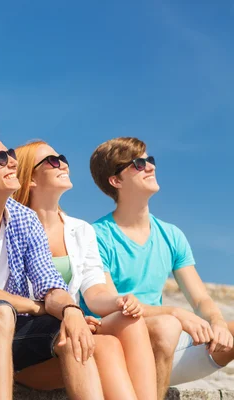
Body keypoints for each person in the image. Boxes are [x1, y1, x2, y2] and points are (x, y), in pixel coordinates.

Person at [0, 125, 125, 400]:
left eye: (9, 154)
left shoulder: (25, 218)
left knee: (77, 337)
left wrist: (70, 311)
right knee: (1, 313)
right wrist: (38, 307)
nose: (11, 161)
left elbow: (50, 283)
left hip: (12, 330)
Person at [87, 137, 234, 399]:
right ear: (115, 180)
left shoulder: (171, 235)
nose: (150, 167)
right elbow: (112, 304)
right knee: (166, 325)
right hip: (122, 347)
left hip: (166, 349)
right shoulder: (96, 236)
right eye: (138, 164)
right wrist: (176, 313)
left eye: (150, 161)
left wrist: (217, 322)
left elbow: (199, 298)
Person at [12, 140, 157, 399]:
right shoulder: (11, 226)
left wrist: (119, 300)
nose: (64, 164)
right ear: (30, 179)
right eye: (52, 161)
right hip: (33, 342)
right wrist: (70, 315)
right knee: (105, 346)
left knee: (129, 319)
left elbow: (94, 290)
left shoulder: (81, 230)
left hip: (72, 329)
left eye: (63, 157)